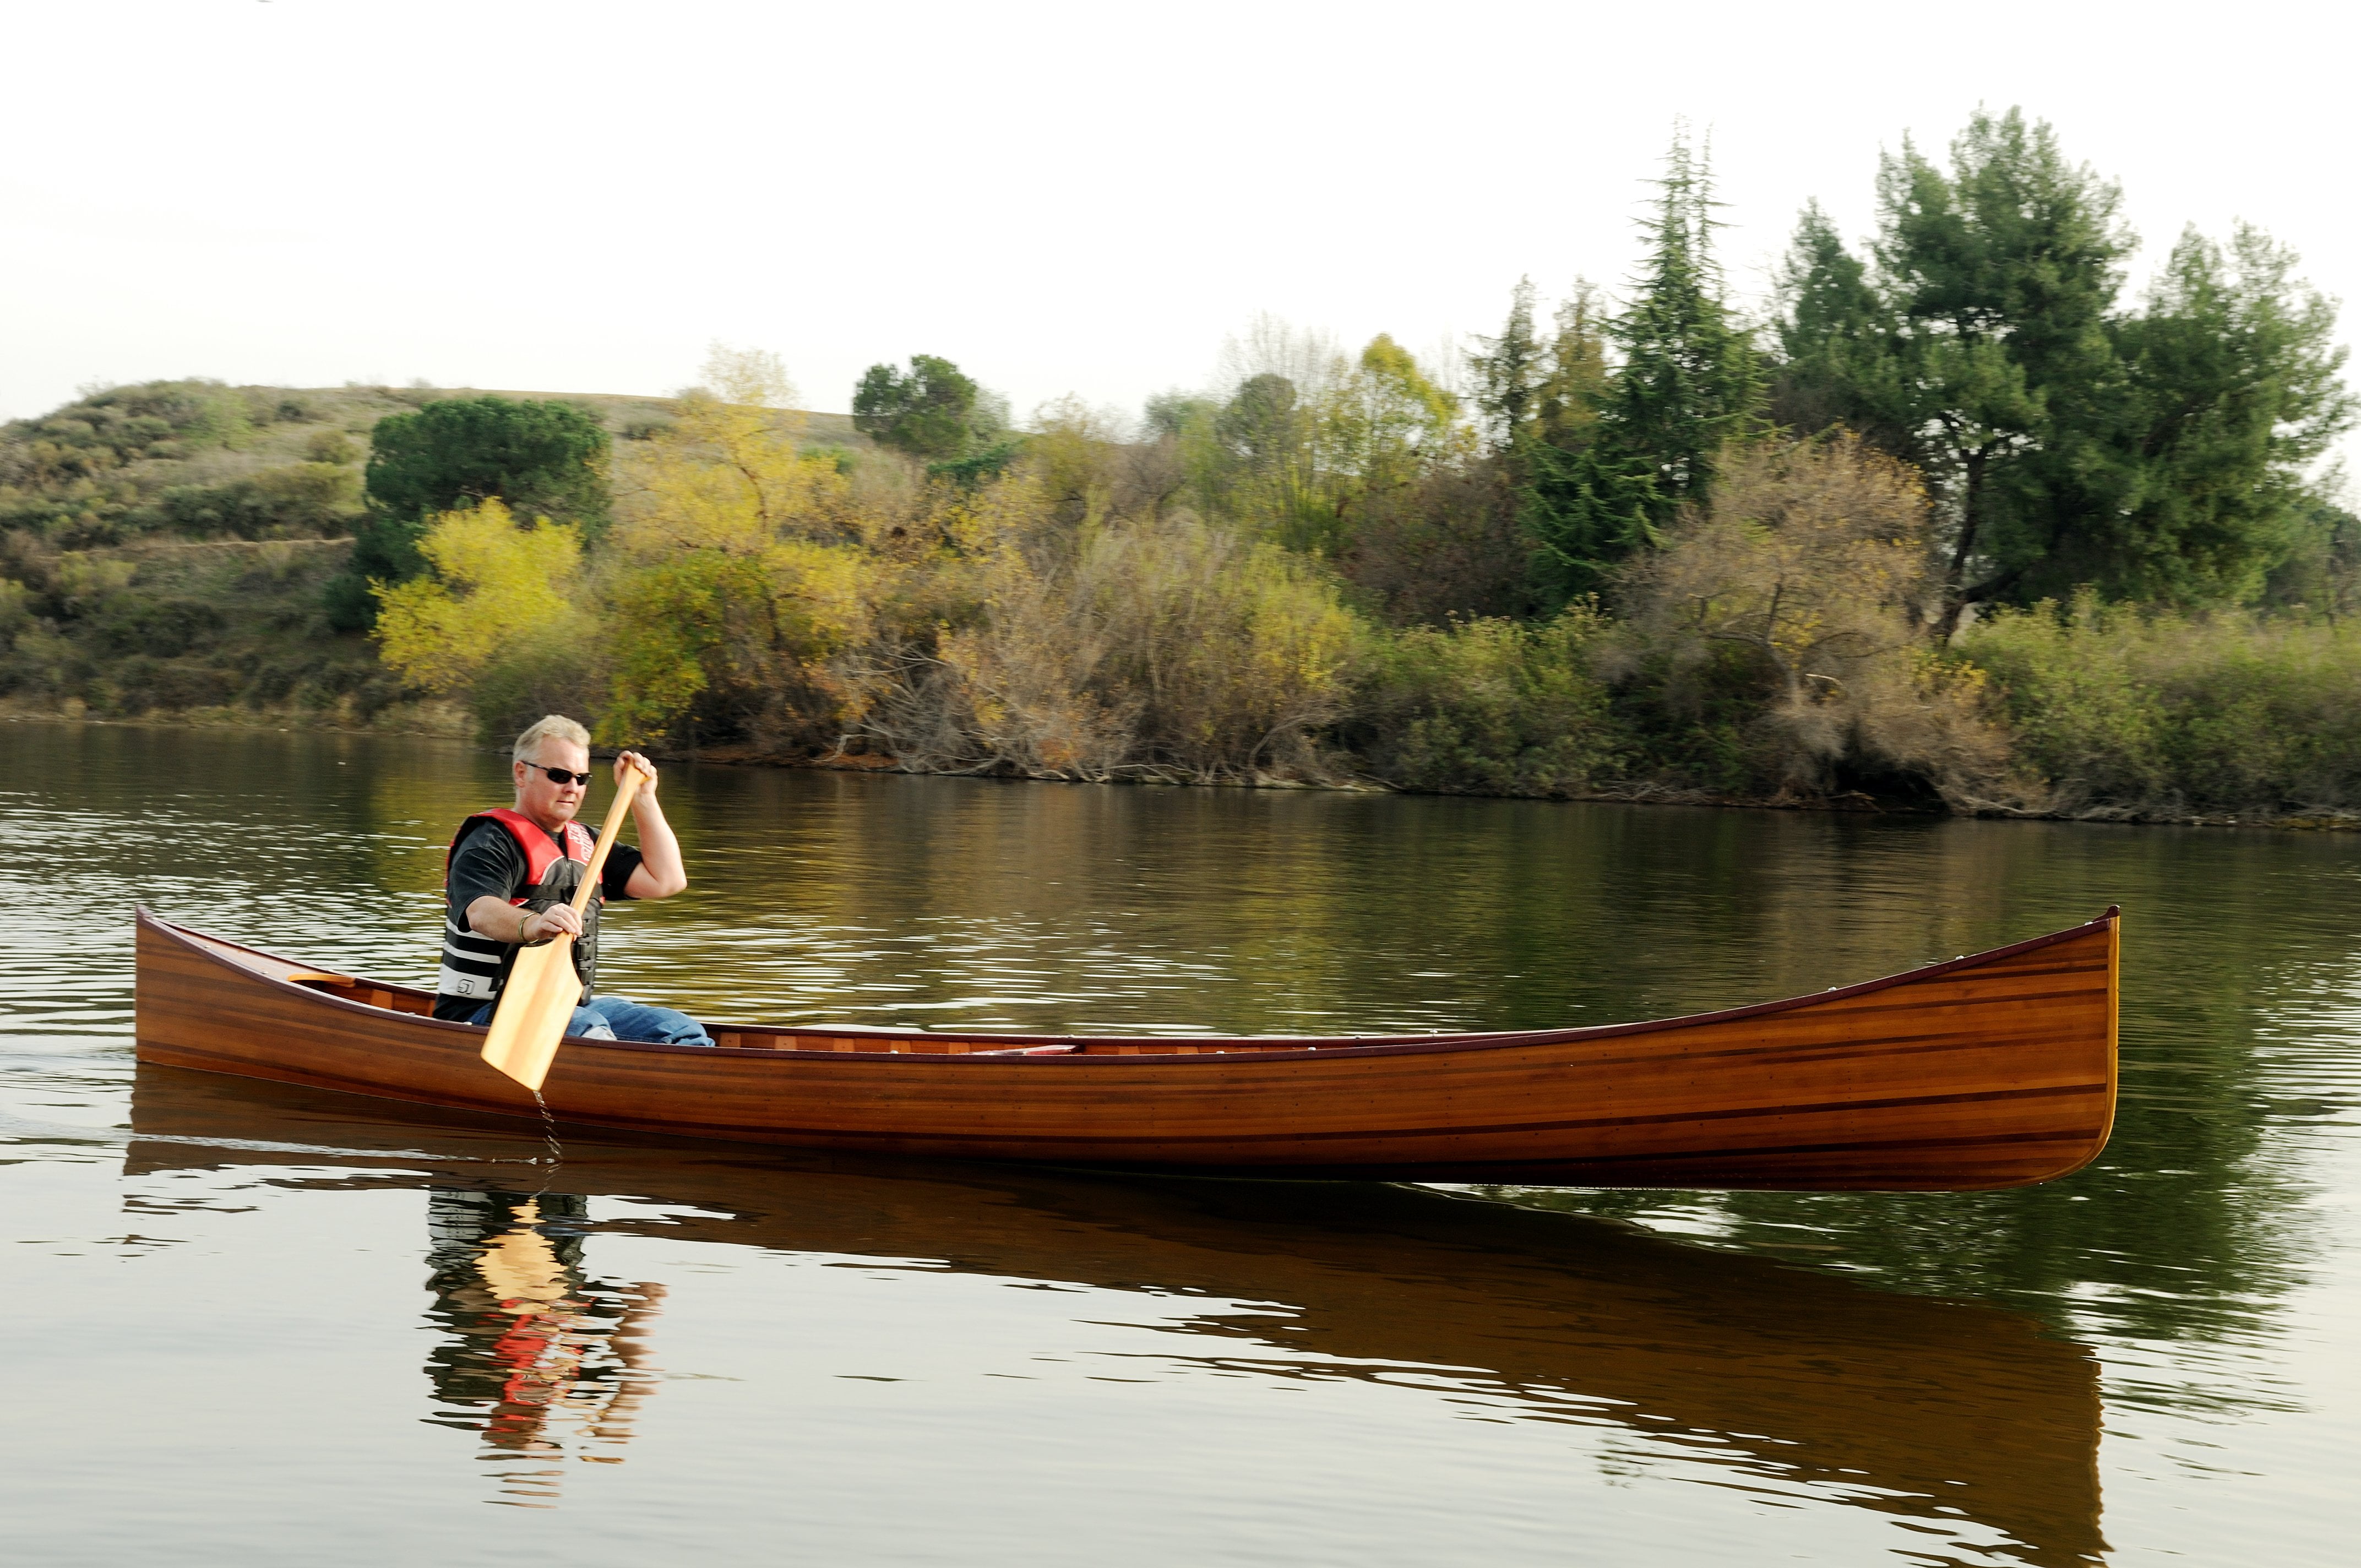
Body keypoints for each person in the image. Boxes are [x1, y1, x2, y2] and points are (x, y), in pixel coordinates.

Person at [434, 714, 712, 1046]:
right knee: (592, 1031)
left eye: (582, 778)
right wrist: (534, 924)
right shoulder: (488, 840)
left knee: (680, 1029)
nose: (572, 788)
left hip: (568, 1007)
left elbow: (667, 880)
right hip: (482, 1012)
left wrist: (643, 797)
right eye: (559, 775)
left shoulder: (589, 845)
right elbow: (480, 911)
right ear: (521, 773)